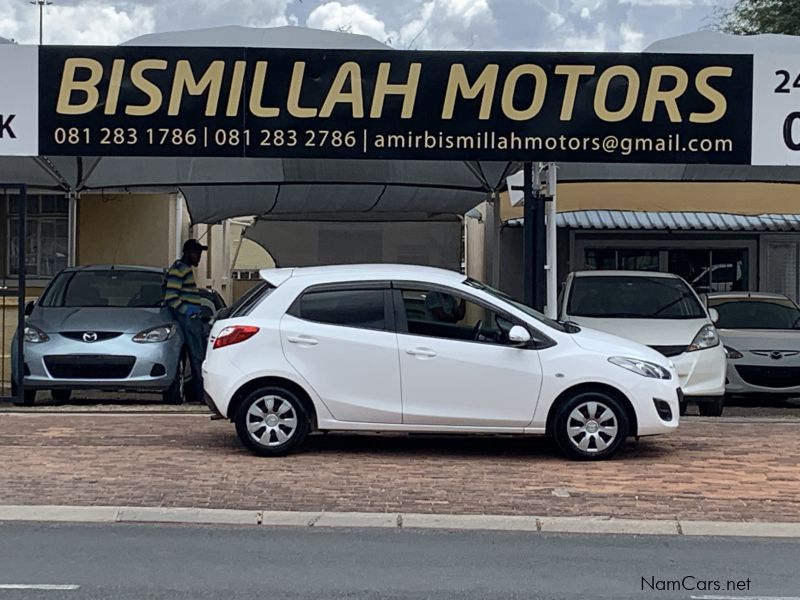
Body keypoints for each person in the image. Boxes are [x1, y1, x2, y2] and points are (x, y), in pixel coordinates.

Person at [164, 239, 208, 403]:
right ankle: (202, 395)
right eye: (198, 254)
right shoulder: (179, 270)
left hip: (192, 318)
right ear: (190, 253)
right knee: (197, 356)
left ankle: (201, 393)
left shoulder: (185, 269)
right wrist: (188, 311)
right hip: (188, 320)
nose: (199, 258)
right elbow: (171, 297)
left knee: (198, 356)